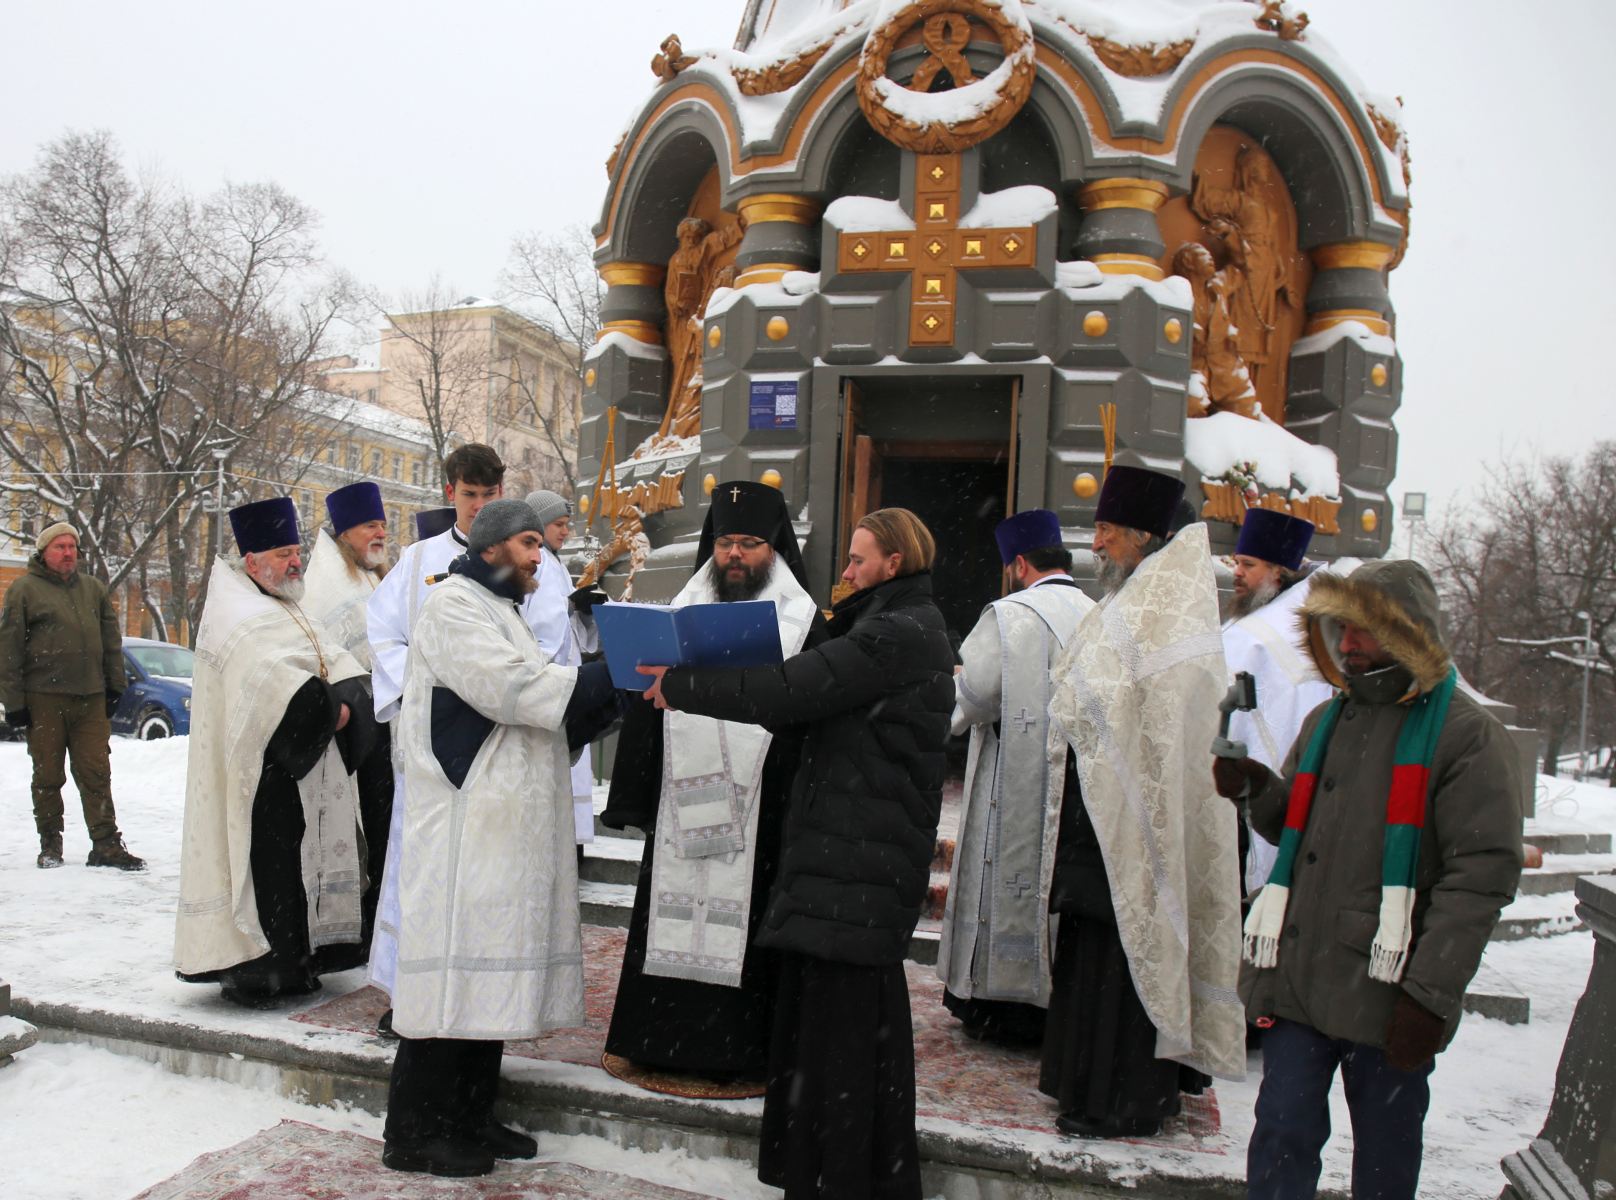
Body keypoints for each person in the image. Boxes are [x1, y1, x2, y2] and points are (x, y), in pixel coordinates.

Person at [641, 507, 955, 1200]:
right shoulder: (897, 625)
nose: (844, 572)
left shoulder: (894, 634)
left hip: (858, 857)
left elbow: (790, 691)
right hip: (852, 853)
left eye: (857, 560)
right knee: (839, 1027)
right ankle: (838, 1167)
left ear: (893, 564)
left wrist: (685, 684)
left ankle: (841, 1174)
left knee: (844, 1033)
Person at [1214, 560, 1523, 1200]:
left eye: (1363, 630)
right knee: (1279, 1134)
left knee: (1384, 1155)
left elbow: (1480, 877)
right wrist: (1259, 791)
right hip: (1301, 972)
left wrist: (1429, 996)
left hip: (1389, 988)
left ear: (1408, 632)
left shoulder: (1467, 736)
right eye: (1340, 629)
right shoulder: (1328, 720)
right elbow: (1301, 829)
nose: (1347, 644)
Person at [383, 498, 618, 1178]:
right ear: (490, 549)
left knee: (481, 981)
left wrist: (611, 695)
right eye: (526, 543)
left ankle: (468, 1115)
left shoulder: (500, 610)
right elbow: (518, 690)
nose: (538, 554)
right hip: (463, 826)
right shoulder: (454, 607)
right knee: (452, 980)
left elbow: (543, 708)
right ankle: (415, 1131)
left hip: (494, 826)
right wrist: (616, 676)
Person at [1042, 465, 1245, 1138]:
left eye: (1105, 531)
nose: (1095, 545)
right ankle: (1080, 1082)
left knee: (1123, 953)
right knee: (1095, 949)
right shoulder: (1130, 597)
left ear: (1142, 535)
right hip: (1098, 813)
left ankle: (1119, 1097)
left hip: (1136, 813)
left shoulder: (1168, 607)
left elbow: (1164, 719)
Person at [600, 481, 828, 1083]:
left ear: (775, 549)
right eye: (726, 542)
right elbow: (649, 702)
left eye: (750, 544)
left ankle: (739, 1049)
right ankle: (659, 1041)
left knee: (750, 924)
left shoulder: (805, 623)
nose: (735, 555)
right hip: (682, 797)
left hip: (763, 804)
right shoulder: (681, 607)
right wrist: (635, 790)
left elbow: (814, 712)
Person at [174, 497, 378, 1007]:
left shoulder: (284, 602)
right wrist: (331, 708)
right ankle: (261, 970)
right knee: (271, 870)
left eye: (296, 551)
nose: (294, 562)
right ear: (252, 562)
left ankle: (303, 962)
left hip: (305, 768)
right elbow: (273, 692)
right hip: (263, 776)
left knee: (300, 864)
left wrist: (349, 698)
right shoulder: (235, 612)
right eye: (284, 553)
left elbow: (335, 661)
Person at [938, 509, 1094, 1046]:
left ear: (1019, 564)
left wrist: (948, 688)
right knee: (1051, 882)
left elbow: (975, 697)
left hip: (1013, 778)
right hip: (1074, 784)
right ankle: (1049, 1004)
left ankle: (994, 1006)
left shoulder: (1009, 614)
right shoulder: (1098, 613)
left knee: (1002, 873)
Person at [364, 445, 504, 1022]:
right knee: (418, 865)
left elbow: (546, 642)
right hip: (428, 739)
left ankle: (478, 996)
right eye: (469, 495)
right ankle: (407, 993)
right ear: (450, 494)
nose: (478, 506)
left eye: (488, 496)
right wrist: (426, 687)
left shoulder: (520, 558)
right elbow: (382, 633)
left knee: (481, 872)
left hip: (496, 740)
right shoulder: (418, 559)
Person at [1, 522, 144, 870]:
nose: (68, 553)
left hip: (90, 699)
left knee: (96, 772)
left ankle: (106, 845)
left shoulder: (93, 589)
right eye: (59, 547)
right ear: (44, 552)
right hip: (44, 700)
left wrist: (115, 685)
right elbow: (9, 649)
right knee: (48, 776)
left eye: (72, 547)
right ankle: (50, 844)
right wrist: (14, 703)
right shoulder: (24, 590)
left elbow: (111, 642)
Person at [1220, 508, 1344, 897]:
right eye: (1236, 563)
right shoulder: (1320, 617)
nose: (1236, 573)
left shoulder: (1252, 635)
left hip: (1256, 792)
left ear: (1279, 572)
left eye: (1248, 564)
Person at [301, 480, 396, 959]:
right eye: (368, 526)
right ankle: (356, 928)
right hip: (353, 729)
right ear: (344, 533)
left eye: (382, 524)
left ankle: (377, 920)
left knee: (383, 828)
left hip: (383, 720)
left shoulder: (371, 573)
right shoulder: (328, 579)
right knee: (366, 827)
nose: (379, 534)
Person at [522, 489, 600, 848]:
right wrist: (570, 608)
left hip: (564, 682)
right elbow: (537, 626)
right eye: (559, 525)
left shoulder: (554, 563)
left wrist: (581, 611)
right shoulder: (536, 563)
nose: (566, 532)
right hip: (546, 686)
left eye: (567, 525)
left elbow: (571, 635)